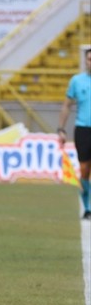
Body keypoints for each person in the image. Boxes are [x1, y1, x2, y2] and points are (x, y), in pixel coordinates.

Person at [57, 47, 91, 220]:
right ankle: (87, 206)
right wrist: (61, 129)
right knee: (84, 169)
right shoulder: (77, 81)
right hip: (83, 129)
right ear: (85, 61)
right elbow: (67, 105)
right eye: (89, 59)